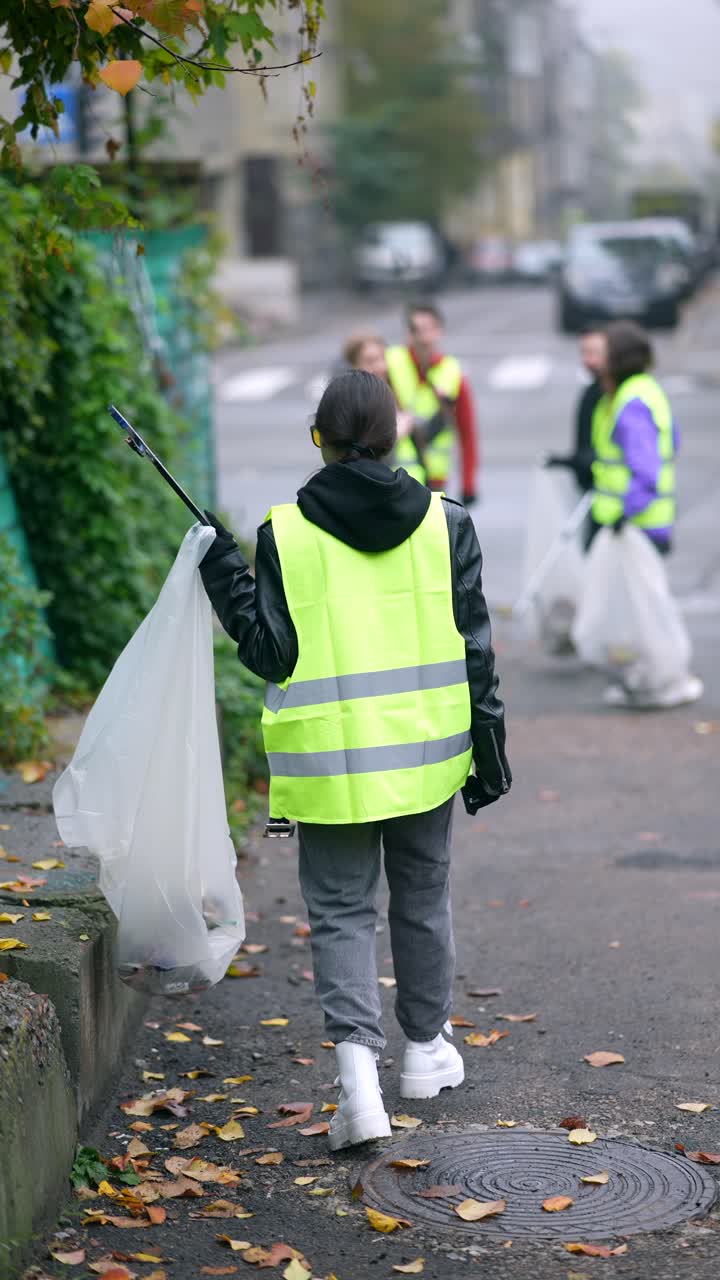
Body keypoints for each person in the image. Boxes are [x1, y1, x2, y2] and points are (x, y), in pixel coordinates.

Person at [199, 370, 510, 1151]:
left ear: (322, 442)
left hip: (328, 764)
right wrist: (490, 750)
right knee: (422, 895)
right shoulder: (447, 523)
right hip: (428, 757)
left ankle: (359, 1089)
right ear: (395, 436)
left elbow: (271, 654)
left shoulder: (284, 532)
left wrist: (225, 574)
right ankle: (426, 1052)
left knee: (341, 912)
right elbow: (476, 646)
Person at [590, 319, 702, 708]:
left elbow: (646, 471)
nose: (595, 360)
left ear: (617, 358)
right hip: (643, 521)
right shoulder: (645, 391)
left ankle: (668, 681)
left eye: (602, 352)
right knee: (644, 605)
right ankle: (655, 676)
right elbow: (672, 442)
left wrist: (625, 512)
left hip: (635, 522)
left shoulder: (630, 402)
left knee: (649, 608)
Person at [385, 302, 479, 502]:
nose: (423, 337)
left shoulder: (452, 372)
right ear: (407, 333)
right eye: (416, 330)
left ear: (439, 331)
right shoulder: (390, 362)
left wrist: (468, 483)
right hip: (393, 477)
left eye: (429, 329)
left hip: (434, 481)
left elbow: (467, 431)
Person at [547, 328, 607, 494]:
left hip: (605, 492)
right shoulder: (593, 389)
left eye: (594, 353)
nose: (587, 360)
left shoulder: (611, 394)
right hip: (594, 489)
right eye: (584, 353)